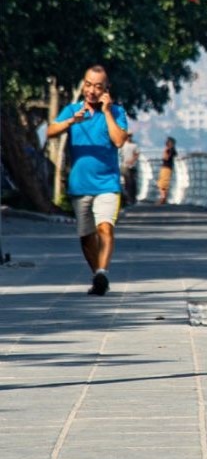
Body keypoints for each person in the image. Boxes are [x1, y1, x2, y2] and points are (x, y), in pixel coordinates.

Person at [47, 65, 129, 295]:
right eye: (88, 84)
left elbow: (119, 140)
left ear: (106, 89)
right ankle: (98, 276)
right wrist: (72, 121)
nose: (92, 90)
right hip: (80, 185)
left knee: (105, 228)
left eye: (98, 86)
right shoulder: (72, 110)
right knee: (86, 237)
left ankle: (102, 271)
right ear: (84, 84)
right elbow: (51, 132)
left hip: (108, 184)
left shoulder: (117, 112)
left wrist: (108, 111)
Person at [120, 132, 140, 206]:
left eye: (130, 136)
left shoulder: (134, 145)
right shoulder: (122, 145)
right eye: (128, 136)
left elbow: (137, 154)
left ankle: (132, 198)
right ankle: (127, 199)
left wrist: (132, 161)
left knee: (132, 183)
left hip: (132, 166)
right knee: (126, 183)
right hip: (124, 166)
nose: (129, 137)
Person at [157, 136, 176, 205]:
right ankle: (163, 197)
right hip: (167, 168)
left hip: (166, 168)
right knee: (162, 183)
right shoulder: (173, 150)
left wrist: (165, 151)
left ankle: (163, 198)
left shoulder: (169, 150)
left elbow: (166, 158)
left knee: (162, 184)